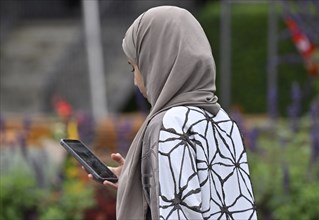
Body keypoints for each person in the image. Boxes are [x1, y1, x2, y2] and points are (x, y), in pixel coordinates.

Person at [89, 5, 257, 220]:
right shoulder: (221, 119)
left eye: (135, 67)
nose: (136, 80)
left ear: (157, 62)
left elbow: (179, 212)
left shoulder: (170, 123)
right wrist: (139, 179)